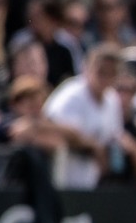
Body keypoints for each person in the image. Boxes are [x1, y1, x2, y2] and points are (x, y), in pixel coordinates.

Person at [43, 45, 127, 189]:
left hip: (89, 180)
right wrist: (92, 146)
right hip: (58, 177)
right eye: (101, 72)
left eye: (111, 73)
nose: (105, 78)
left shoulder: (112, 100)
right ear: (86, 68)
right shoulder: (71, 94)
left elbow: (113, 138)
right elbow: (51, 127)